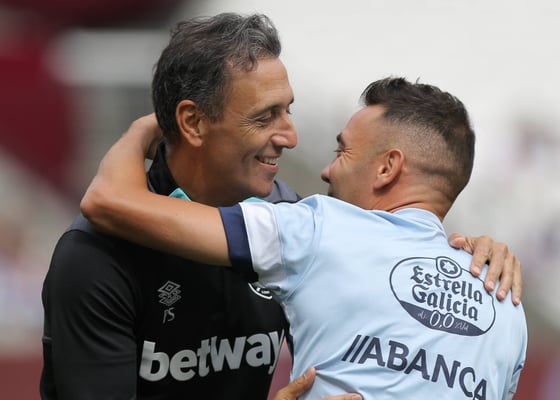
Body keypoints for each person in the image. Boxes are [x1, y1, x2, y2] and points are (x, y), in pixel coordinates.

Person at [41, 12, 519, 400]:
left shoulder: (296, 225)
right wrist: (140, 130)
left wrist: (462, 256)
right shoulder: (95, 258)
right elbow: (106, 201)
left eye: (288, 110)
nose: (290, 137)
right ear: (193, 122)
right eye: (265, 116)